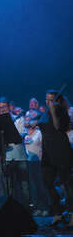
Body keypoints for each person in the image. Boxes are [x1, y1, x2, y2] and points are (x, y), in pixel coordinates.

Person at [36, 90, 73, 226]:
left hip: (61, 151)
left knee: (67, 184)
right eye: (46, 99)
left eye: (51, 100)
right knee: (47, 182)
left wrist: (52, 111)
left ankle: (71, 213)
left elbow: (59, 127)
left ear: (57, 101)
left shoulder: (62, 112)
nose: (48, 102)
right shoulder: (44, 113)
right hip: (47, 152)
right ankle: (58, 212)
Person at [0, 97, 30, 210]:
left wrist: (10, 135)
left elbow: (22, 134)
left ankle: (26, 210)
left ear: (9, 107)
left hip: (20, 156)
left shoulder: (19, 119)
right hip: (7, 157)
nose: (2, 110)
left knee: (24, 185)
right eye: (0, 108)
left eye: (4, 107)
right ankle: (11, 210)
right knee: (8, 186)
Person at [23, 111, 49, 216]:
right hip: (29, 162)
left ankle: (45, 207)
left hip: (38, 162)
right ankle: (37, 207)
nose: (28, 120)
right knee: (33, 186)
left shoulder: (39, 133)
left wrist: (44, 160)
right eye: (27, 119)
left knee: (40, 185)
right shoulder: (24, 134)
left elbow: (43, 147)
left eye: (30, 119)